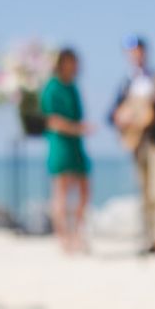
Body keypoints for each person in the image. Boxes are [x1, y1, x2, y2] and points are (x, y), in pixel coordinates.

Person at [109, 35, 155, 254]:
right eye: (132, 52)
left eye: (139, 51)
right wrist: (121, 119)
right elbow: (113, 114)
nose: (136, 55)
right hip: (137, 143)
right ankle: (147, 238)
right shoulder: (126, 83)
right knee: (144, 192)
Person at [41, 48, 94, 253]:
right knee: (61, 192)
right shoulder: (52, 87)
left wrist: (79, 129)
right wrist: (77, 128)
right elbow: (51, 120)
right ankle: (63, 237)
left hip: (76, 144)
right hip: (60, 143)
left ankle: (77, 233)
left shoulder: (72, 87)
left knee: (83, 190)